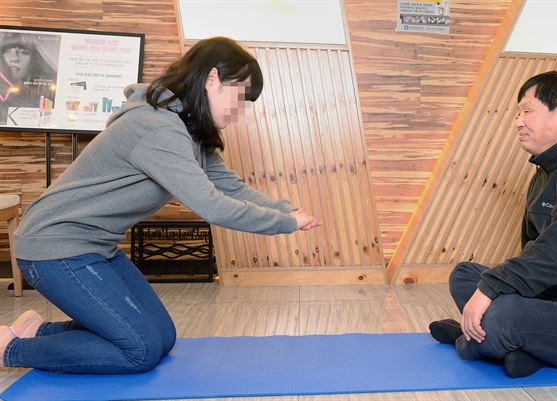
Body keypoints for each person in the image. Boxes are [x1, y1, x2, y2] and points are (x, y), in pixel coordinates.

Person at [0, 36, 321, 374]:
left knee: (163, 337)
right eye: (240, 95)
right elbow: (213, 205)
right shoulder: (158, 127)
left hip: (95, 247)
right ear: (212, 79)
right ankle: (14, 349)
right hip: (54, 248)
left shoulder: (188, 130)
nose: (240, 110)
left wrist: (286, 209)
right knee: (140, 350)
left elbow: (230, 187)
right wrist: (284, 224)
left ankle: (39, 331)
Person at [428, 71, 557, 378]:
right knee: (464, 275)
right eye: (516, 114)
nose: (518, 122)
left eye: (527, 111)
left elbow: (556, 256)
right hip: (549, 305)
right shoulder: (543, 173)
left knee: (505, 314)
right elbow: (531, 250)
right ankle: (522, 350)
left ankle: (468, 340)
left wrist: (491, 291)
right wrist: (490, 288)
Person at [0, 31, 59, 109]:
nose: (14, 58)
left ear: (33, 60)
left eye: (23, 52)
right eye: (7, 51)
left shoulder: (49, 95)